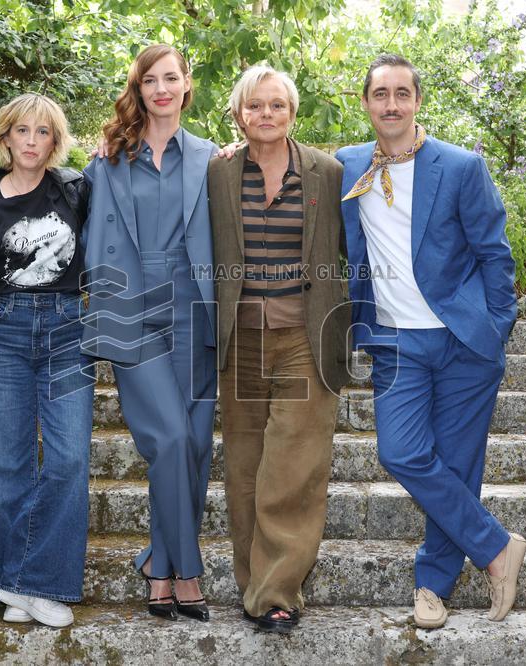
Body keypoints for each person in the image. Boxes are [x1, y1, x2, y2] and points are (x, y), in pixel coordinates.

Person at [335, 54, 526, 630]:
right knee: (401, 452)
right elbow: (277, 158)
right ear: (366, 103)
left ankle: (432, 587)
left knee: (459, 465)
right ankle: (495, 547)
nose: (391, 104)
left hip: (464, 340)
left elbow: (496, 254)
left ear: (418, 101)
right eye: (380, 94)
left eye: (402, 93)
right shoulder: (346, 166)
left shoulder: (461, 166)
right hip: (394, 341)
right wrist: (225, 154)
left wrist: (496, 329)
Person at [0, 93, 94, 628]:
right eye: (22, 131)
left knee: (70, 459)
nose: (32, 142)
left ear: (56, 141)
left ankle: (30, 583)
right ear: (5, 137)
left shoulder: (76, 190)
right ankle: (11, 585)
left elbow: (128, 193)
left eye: (43, 133)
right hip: (2, 332)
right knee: (4, 465)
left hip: (68, 330)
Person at [208, 66, 350, 634]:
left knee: (294, 465)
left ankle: (277, 594)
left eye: (277, 105)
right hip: (238, 339)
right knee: (244, 468)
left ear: (293, 111)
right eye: (255, 106)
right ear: (239, 113)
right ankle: (254, 583)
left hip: (303, 338)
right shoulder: (216, 172)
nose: (266, 115)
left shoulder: (329, 172)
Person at [81, 44, 217, 622]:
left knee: (194, 446)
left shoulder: (214, 159)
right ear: (137, 91)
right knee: (169, 441)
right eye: (149, 81)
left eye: (171, 78)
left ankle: (158, 565)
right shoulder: (107, 161)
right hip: (131, 312)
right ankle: (187, 572)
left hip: (198, 313)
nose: (161, 89)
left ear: (187, 85)